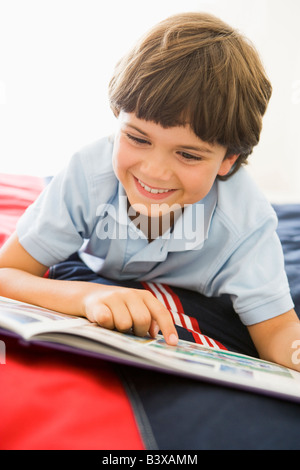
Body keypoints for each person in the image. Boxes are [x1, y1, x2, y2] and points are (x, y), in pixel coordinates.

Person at [0, 12, 300, 370]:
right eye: (137, 138)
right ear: (118, 118)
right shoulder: (88, 173)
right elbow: (7, 274)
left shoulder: (247, 224)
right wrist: (85, 295)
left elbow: (280, 330)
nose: (154, 171)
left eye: (188, 154)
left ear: (228, 161)